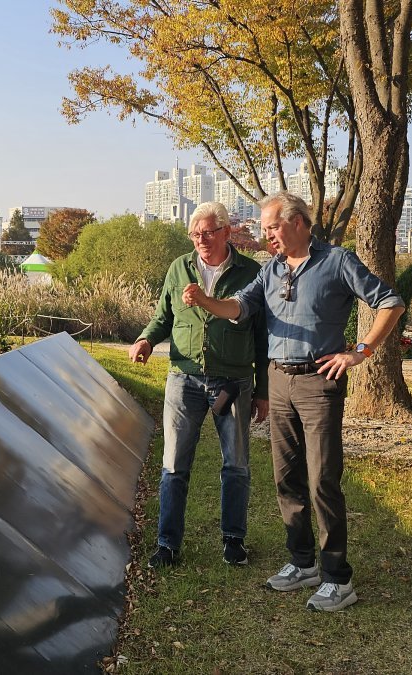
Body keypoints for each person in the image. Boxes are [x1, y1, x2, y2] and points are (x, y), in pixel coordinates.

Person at [182, 191, 405, 612]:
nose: (268, 236)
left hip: (319, 384)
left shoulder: (337, 262)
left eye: (272, 228)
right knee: (286, 478)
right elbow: (240, 307)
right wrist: (207, 302)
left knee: (322, 480)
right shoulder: (272, 270)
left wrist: (360, 350)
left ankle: (338, 578)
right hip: (278, 380)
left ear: (298, 223)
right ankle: (302, 563)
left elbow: (390, 302)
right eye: (265, 229)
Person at [129, 201, 269, 569]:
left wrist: (263, 391)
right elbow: (163, 317)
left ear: (226, 232)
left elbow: (262, 337)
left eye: (208, 232)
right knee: (173, 464)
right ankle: (167, 544)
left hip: (234, 381)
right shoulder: (179, 268)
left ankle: (234, 541)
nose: (201, 239)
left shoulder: (251, 272)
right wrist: (146, 340)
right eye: (195, 234)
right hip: (184, 378)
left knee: (236, 464)